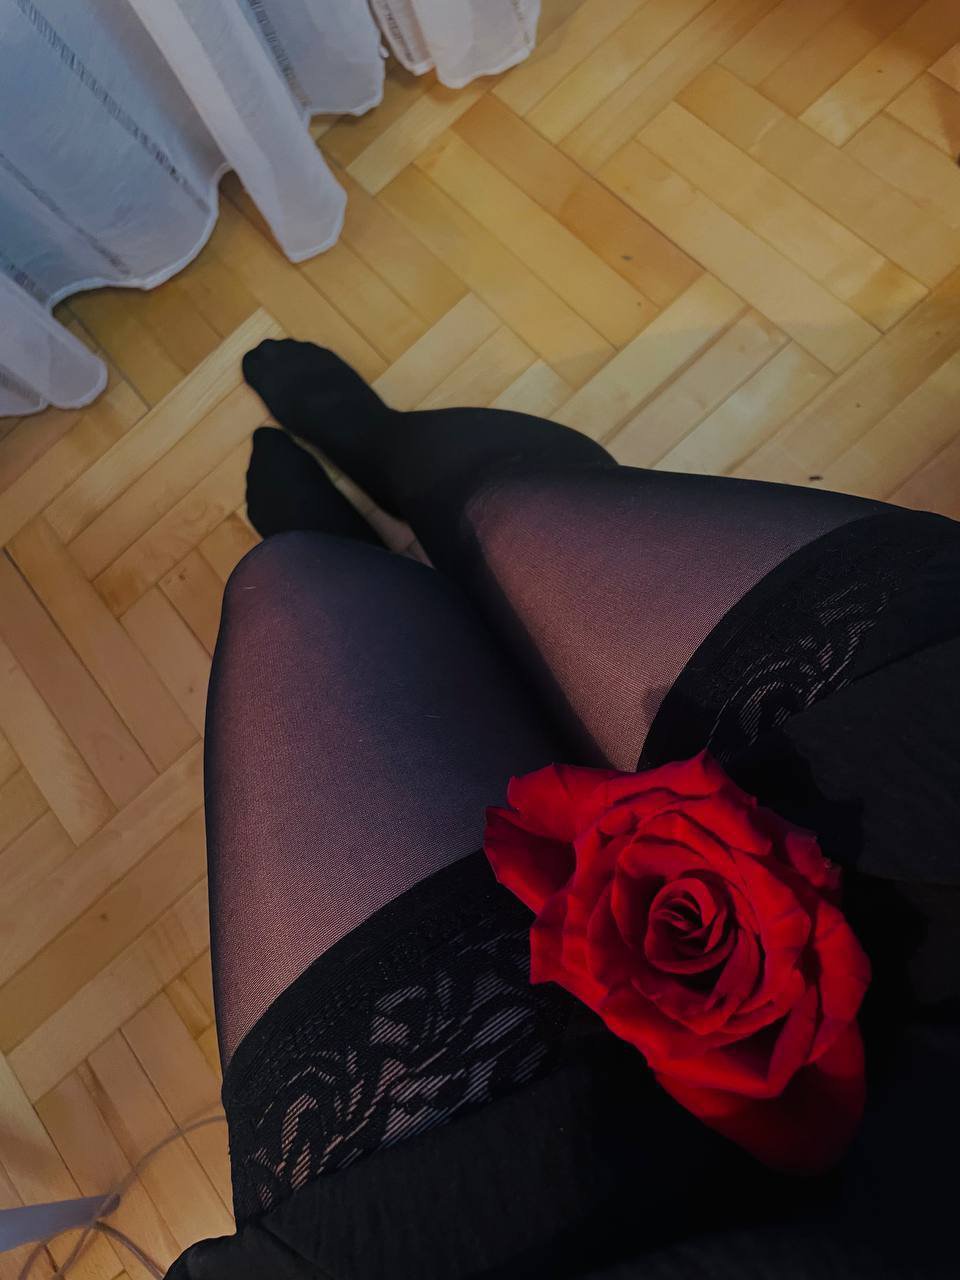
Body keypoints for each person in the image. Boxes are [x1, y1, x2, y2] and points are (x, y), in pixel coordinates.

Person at [166, 340, 960, 1279]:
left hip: (514, 1226)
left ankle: (360, 558)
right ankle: (389, 454)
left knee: (295, 586)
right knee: (514, 516)